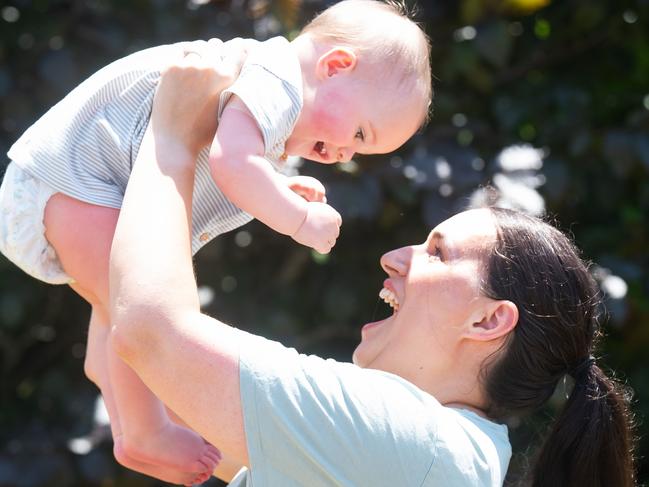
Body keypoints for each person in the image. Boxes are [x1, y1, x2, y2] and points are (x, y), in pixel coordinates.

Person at [107, 52, 636, 486]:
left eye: (437, 252)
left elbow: (151, 331)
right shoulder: (429, 457)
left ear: (489, 321)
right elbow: (166, 382)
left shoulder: (413, 438)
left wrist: (171, 138)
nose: (394, 257)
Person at [0, 1, 431, 484]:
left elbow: (228, 154)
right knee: (132, 302)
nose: (347, 152)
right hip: (80, 179)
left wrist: (278, 185)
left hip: (82, 189)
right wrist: (298, 219)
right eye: (359, 132)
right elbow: (229, 163)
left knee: (118, 299)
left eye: (359, 149)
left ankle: (117, 396)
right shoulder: (279, 80)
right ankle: (145, 430)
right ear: (335, 67)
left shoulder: (270, 92)